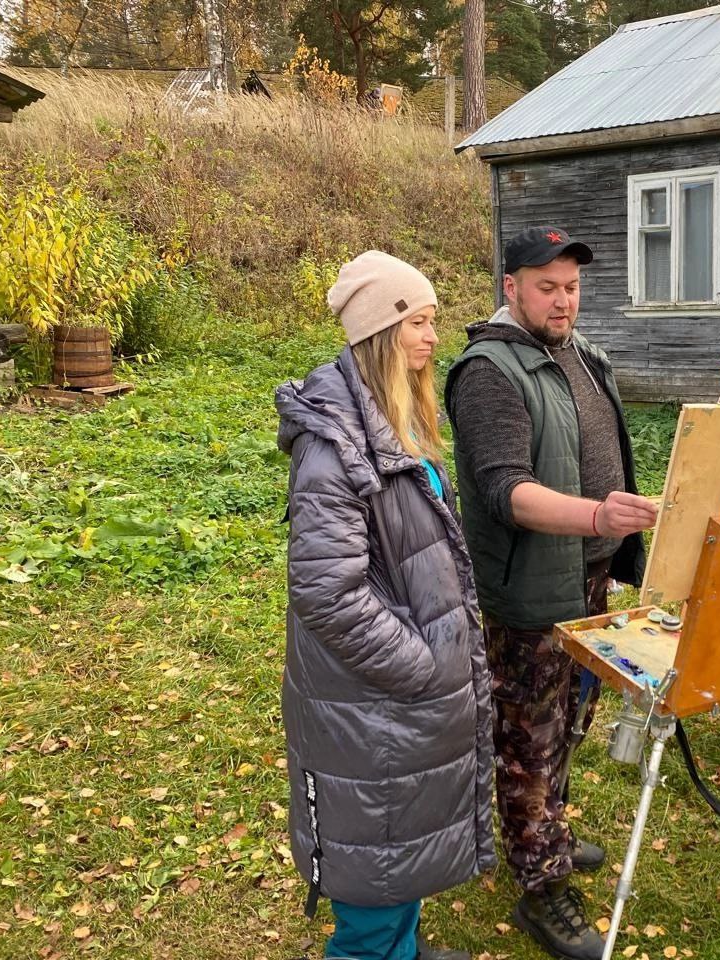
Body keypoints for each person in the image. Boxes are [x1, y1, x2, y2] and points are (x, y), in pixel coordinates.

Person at [444, 226, 659, 960]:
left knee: (570, 719)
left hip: (589, 578)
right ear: (511, 288)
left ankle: (549, 832)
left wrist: (610, 536)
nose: (563, 300)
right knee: (527, 739)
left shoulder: (582, 356)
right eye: (547, 287)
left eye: (572, 287)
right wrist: (597, 516)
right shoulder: (488, 372)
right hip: (532, 592)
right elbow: (506, 492)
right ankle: (540, 885)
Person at [276, 250, 495, 960]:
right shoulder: (333, 448)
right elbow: (327, 592)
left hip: (397, 705)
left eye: (432, 320)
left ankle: (404, 946)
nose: (433, 337)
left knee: (396, 854)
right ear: (379, 331)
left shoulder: (393, 421)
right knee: (374, 872)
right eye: (418, 323)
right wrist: (423, 667)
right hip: (373, 702)